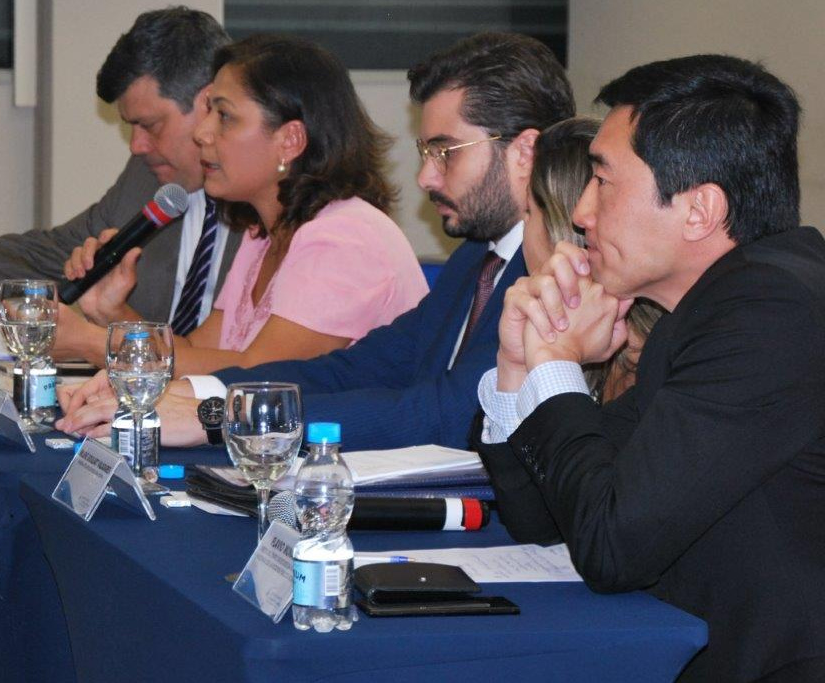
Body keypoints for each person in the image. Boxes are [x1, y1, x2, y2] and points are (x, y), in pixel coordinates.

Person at [477, 55, 825, 681]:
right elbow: (544, 521)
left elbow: (612, 548)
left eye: (603, 181)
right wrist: (517, 367)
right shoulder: (712, 309)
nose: (582, 213)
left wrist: (556, 364)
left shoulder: (768, 313)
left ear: (699, 210)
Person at [57, 31, 575, 451]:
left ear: (525, 152)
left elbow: (445, 413)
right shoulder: (475, 262)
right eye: (426, 153)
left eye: (446, 152)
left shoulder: (556, 274)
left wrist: (216, 415)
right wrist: (189, 393)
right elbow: (355, 369)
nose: (425, 178)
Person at [0, 7, 241, 354]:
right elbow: (49, 254)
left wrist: (91, 339)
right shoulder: (148, 178)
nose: (137, 146)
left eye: (149, 125)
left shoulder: (267, 205)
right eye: (130, 127)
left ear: (209, 103)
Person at [57, 33, 427, 399]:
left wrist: (92, 344)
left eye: (224, 116)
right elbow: (195, 351)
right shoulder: (262, 233)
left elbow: (261, 379)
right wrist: (112, 311)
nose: (202, 133)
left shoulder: (346, 239)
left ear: (290, 140)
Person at [521, 116, 661, 401]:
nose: (523, 227)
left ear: (559, 229)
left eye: (528, 212)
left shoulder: (645, 373)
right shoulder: (655, 348)